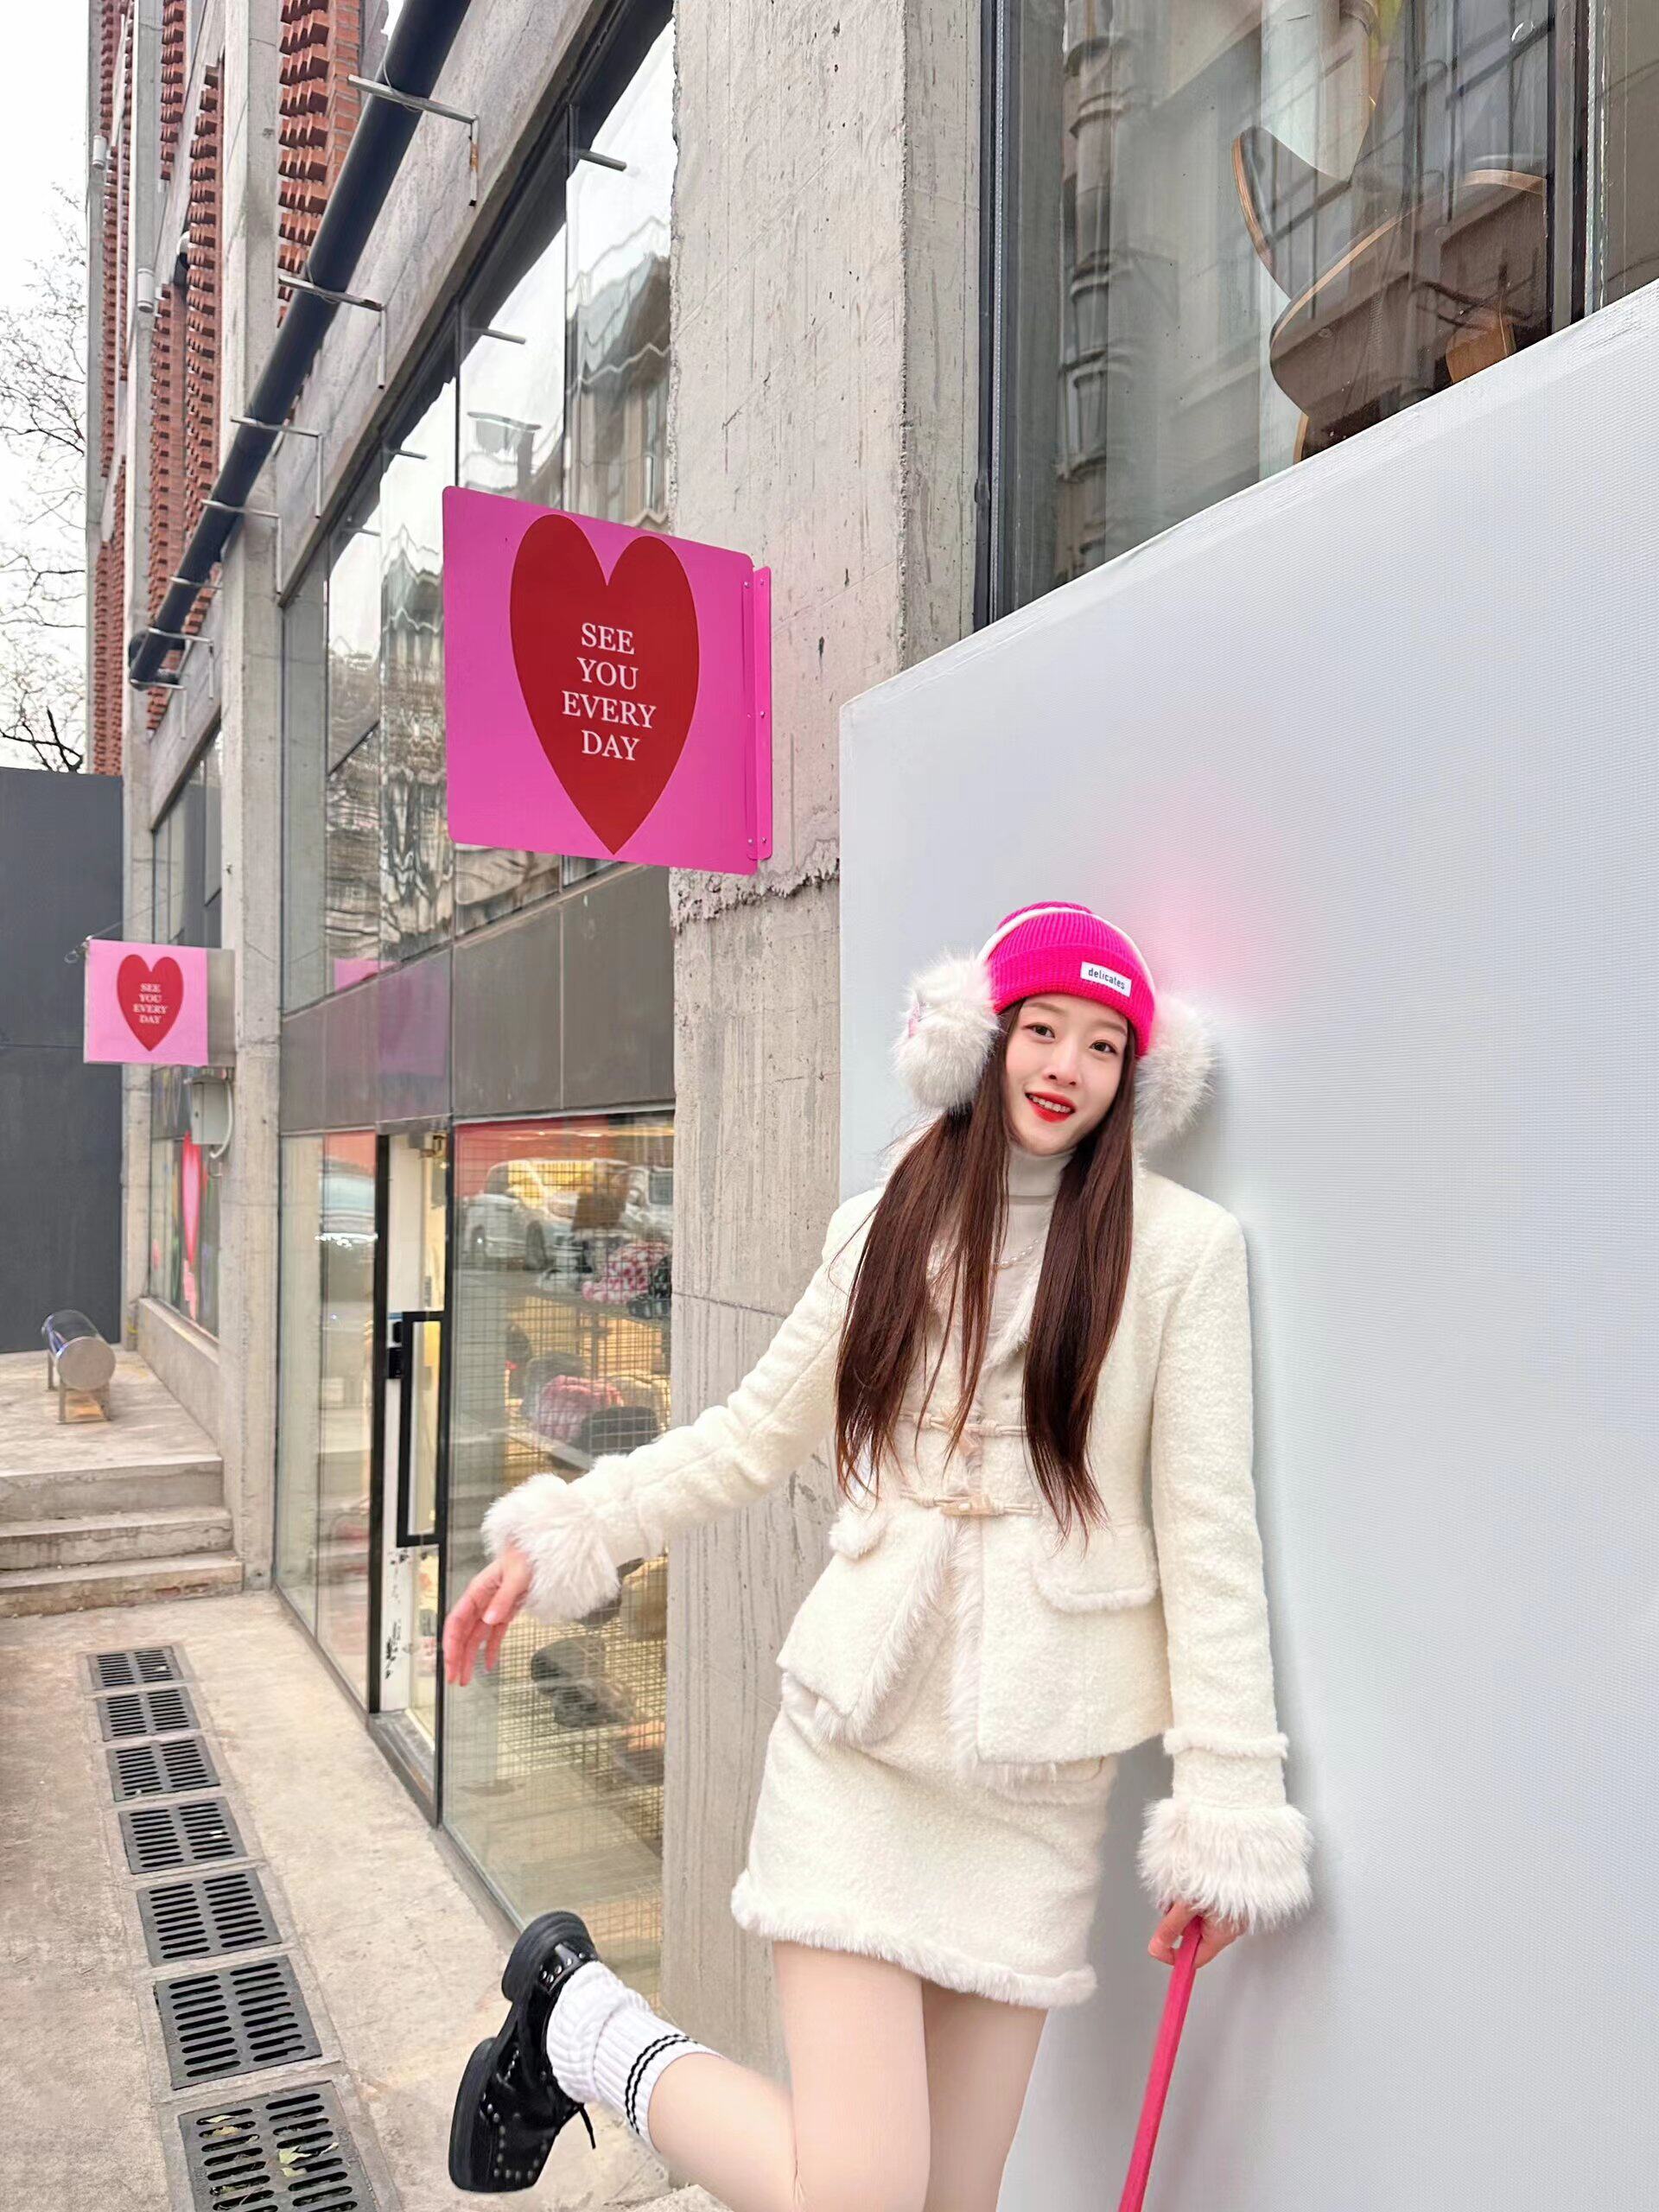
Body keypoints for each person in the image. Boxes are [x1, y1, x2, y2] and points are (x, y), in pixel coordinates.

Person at [442, 899, 1315, 2206]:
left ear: (1135, 1076)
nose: (1066, 1067)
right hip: (853, 1758)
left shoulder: (1184, 1254)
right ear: (982, 1037)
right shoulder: (884, 1224)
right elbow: (750, 1435)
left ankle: (578, 2027)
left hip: (1033, 1793)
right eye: (1041, 1029)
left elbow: (1210, 1541)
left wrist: (1228, 1807)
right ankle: (584, 2028)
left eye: (1102, 1045)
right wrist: (580, 1525)